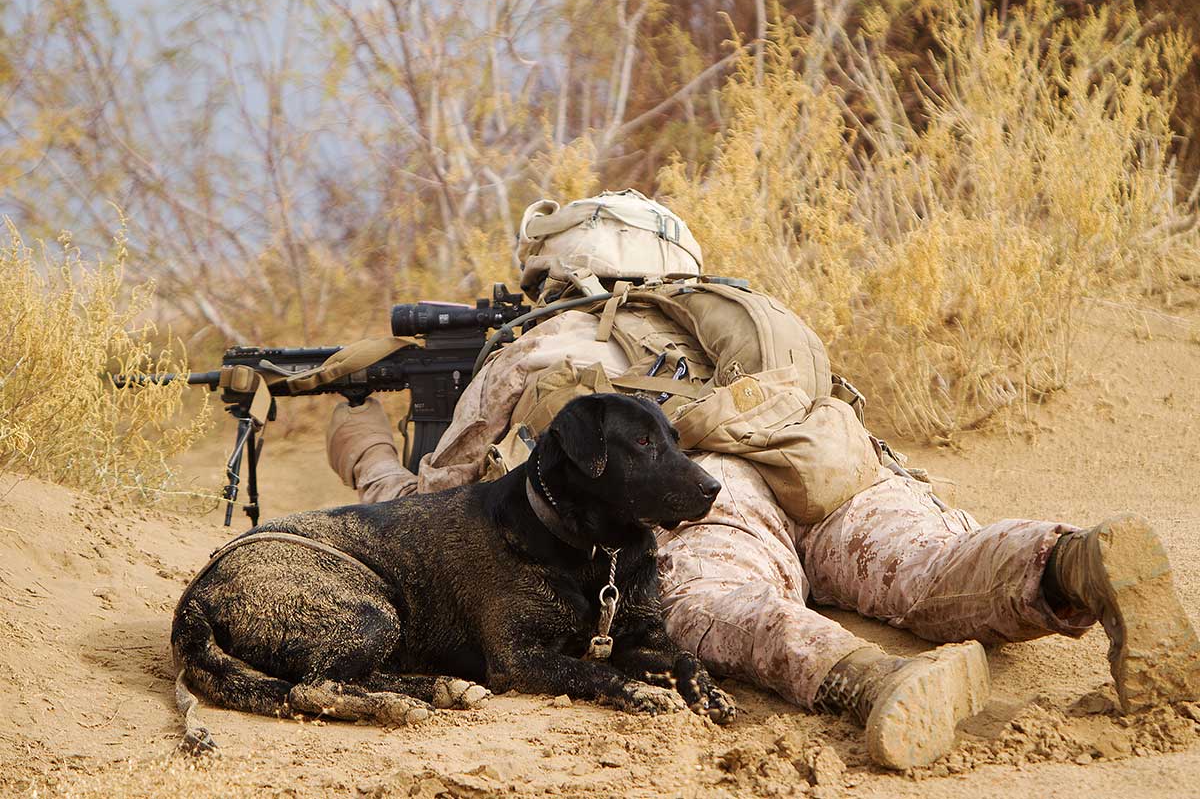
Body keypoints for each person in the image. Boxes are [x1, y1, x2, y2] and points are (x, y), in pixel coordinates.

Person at [324, 197, 1200, 771]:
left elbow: (432, 512)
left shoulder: (543, 347)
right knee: (934, 565)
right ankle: (1073, 562)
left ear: (557, 274)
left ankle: (867, 680)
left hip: (697, 487)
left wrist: (363, 443)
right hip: (832, 463)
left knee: (716, 602)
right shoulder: (740, 318)